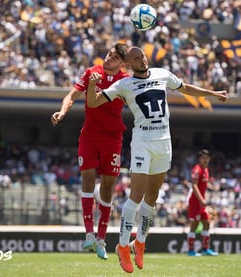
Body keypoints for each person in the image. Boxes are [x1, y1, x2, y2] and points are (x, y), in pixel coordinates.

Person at [86, 46, 228, 273]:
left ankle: (139, 243)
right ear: (128, 65)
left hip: (164, 143)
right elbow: (93, 103)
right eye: (135, 59)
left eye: (142, 56)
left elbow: (186, 88)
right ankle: (122, 245)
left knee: (152, 198)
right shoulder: (124, 84)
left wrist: (212, 94)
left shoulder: (162, 74)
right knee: (136, 195)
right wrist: (93, 83)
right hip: (142, 143)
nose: (141, 60)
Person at [50, 43, 129, 260]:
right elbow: (71, 96)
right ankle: (89, 234)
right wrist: (62, 111)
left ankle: (102, 239)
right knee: (87, 177)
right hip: (90, 135)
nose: (108, 58)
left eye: (114, 58)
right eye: (109, 54)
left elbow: (129, 99)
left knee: (108, 186)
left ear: (122, 64)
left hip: (113, 137)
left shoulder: (126, 80)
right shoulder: (91, 73)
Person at [186, 149, 219, 256]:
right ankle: (191, 251)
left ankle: (205, 249)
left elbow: (202, 183)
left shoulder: (206, 170)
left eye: (207, 158)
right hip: (196, 202)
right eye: (203, 157)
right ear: (199, 159)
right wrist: (201, 200)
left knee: (207, 223)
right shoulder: (197, 169)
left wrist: (212, 187)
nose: (205, 160)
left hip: (201, 203)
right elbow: (194, 185)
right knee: (194, 225)